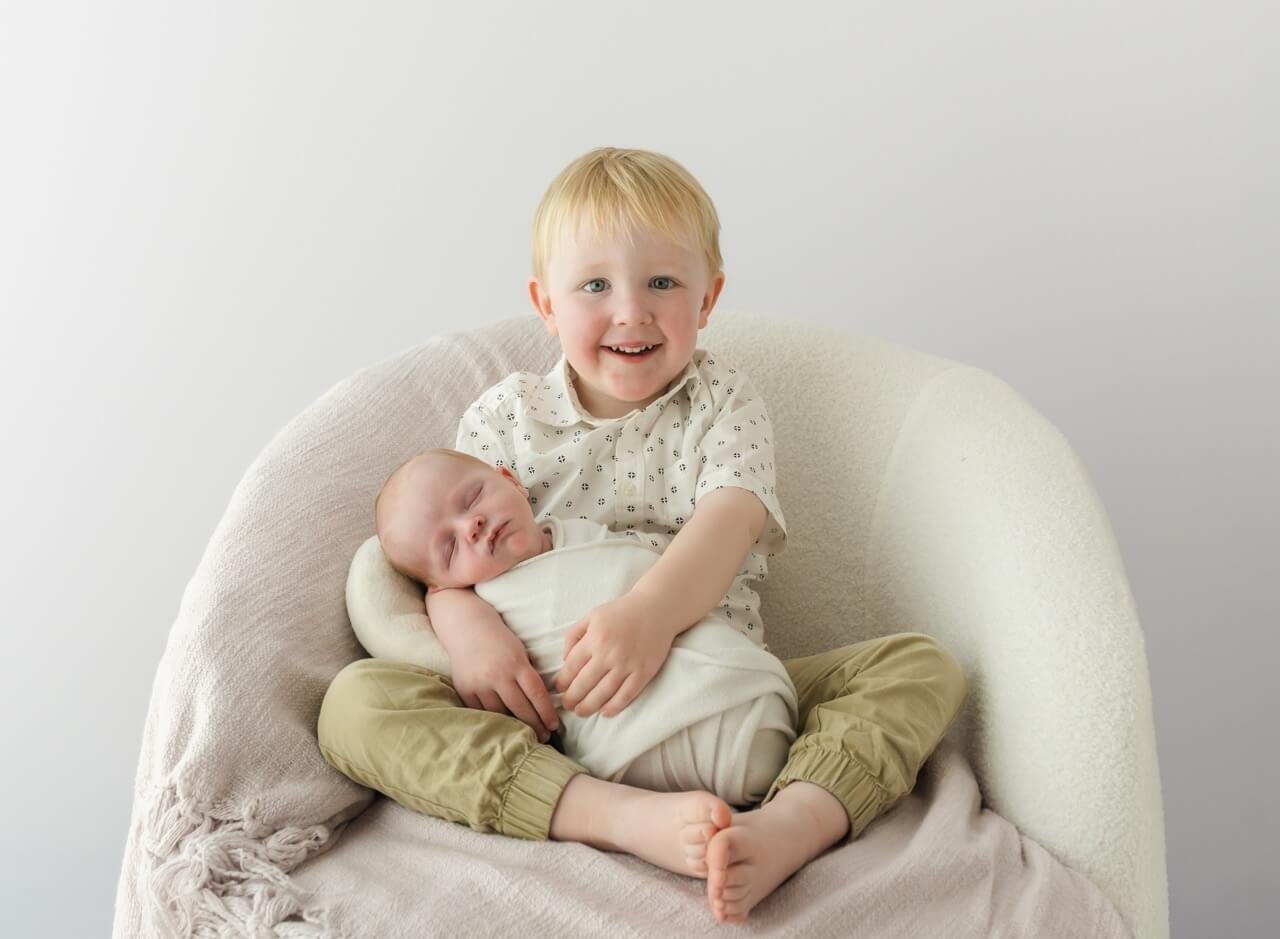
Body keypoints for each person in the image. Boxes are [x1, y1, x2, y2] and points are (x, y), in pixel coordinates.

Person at [318, 147, 969, 924]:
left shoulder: (724, 403)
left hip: (722, 682)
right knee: (356, 705)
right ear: (546, 304)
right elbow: (445, 564)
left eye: (662, 282)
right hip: (557, 712)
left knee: (920, 667)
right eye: (595, 285)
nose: (631, 310)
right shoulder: (506, 418)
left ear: (708, 297)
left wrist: (649, 617)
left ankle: (791, 820)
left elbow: (730, 521)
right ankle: (614, 815)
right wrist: (469, 637)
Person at [372, 447, 800, 807]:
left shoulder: (580, 532)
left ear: (512, 481)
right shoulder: (477, 602)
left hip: (743, 684)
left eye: (472, 498)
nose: (472, 525)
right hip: (633, 744)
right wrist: (466, 628)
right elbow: (432, 596)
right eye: (449, 547)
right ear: (442, 582)